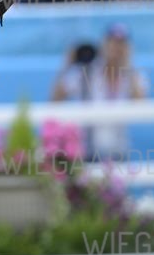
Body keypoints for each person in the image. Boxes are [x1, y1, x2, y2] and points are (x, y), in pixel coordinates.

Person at [51, 24, 147, 160]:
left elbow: (141, 106)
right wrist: (67, 64)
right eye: (111, 42)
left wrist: (128, 65)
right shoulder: (87, 72)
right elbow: (56, 100)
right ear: (103, 44)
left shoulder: (133, 75)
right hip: (87, 152)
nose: (115, 48)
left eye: (120, 43)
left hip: (119, 152)